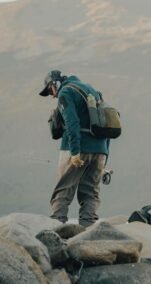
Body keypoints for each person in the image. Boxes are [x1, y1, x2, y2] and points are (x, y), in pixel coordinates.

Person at [39, 70, 110, 227]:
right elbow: (107, 125)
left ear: (55, 83)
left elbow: (72, 123)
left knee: (63, 191)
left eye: (50, 90)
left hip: (77, 150)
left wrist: (75, 152)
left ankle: (56, 230)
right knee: (90, 194)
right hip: (100, 151)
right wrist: (104, 158)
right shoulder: (93, 91)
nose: (52, 95)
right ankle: (88, 232)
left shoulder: (66, 92)